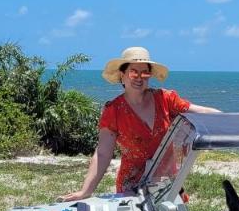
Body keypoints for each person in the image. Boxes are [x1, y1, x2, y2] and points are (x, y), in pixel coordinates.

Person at [60, 46, 220, 200]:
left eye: (144, 73)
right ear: (122, 75)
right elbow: (103, 153)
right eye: (133, 72)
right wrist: (86, 191)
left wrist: (231, 121)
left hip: (166, 182)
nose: (139, 77)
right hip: (132, 186)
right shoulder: (113, 111)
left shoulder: (165, 99)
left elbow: (199, 111)